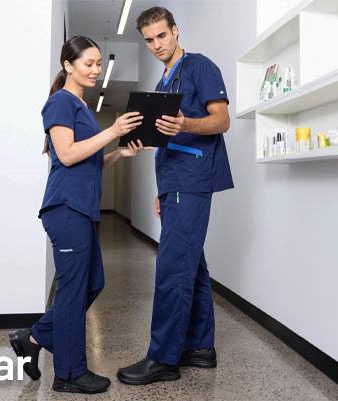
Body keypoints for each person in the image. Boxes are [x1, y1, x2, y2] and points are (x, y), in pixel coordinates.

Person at [9, 35, 144, 394]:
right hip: (65, 208)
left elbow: (90, 160)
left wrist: (118, 153)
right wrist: (113, 130)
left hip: (82, 210)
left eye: (99, 64)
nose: (96, 70)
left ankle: (33, 338)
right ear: (68, 65)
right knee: (71, 292)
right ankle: (69, 374)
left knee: (92, 283)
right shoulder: (59, 103)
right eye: (89, 63)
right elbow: (67, 155)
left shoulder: (82, 107)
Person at [117, 7, 233, 385]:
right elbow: (165, 142)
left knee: (171, 270)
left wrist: (187, 123)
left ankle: (163, 358)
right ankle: (200, 348)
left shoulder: (200, 67)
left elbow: (221, 120)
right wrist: (160, 191)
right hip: (174, 185)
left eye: (161, 36)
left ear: (175, 31)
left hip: (193, 180)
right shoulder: (164, 81)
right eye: (148, 39)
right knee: (192, 267)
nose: (155, 45)